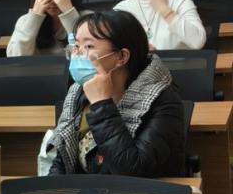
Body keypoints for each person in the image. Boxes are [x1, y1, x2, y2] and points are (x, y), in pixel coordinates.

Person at [49, 10, 185, 176]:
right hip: (87, 190)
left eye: (88, 46)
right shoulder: (79, 91)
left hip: (137, 191)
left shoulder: (163, 101)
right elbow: (63, 160)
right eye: (76, 46)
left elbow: (131, 171)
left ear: (121, 56)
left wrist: (101, 105)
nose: (77, 54)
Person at [7, 0, 83, 57]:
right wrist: (35, 17)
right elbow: (16, 57)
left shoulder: (87, 19)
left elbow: (89, 54)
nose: (52, 1)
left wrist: (69, 13)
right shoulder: (25, 21)